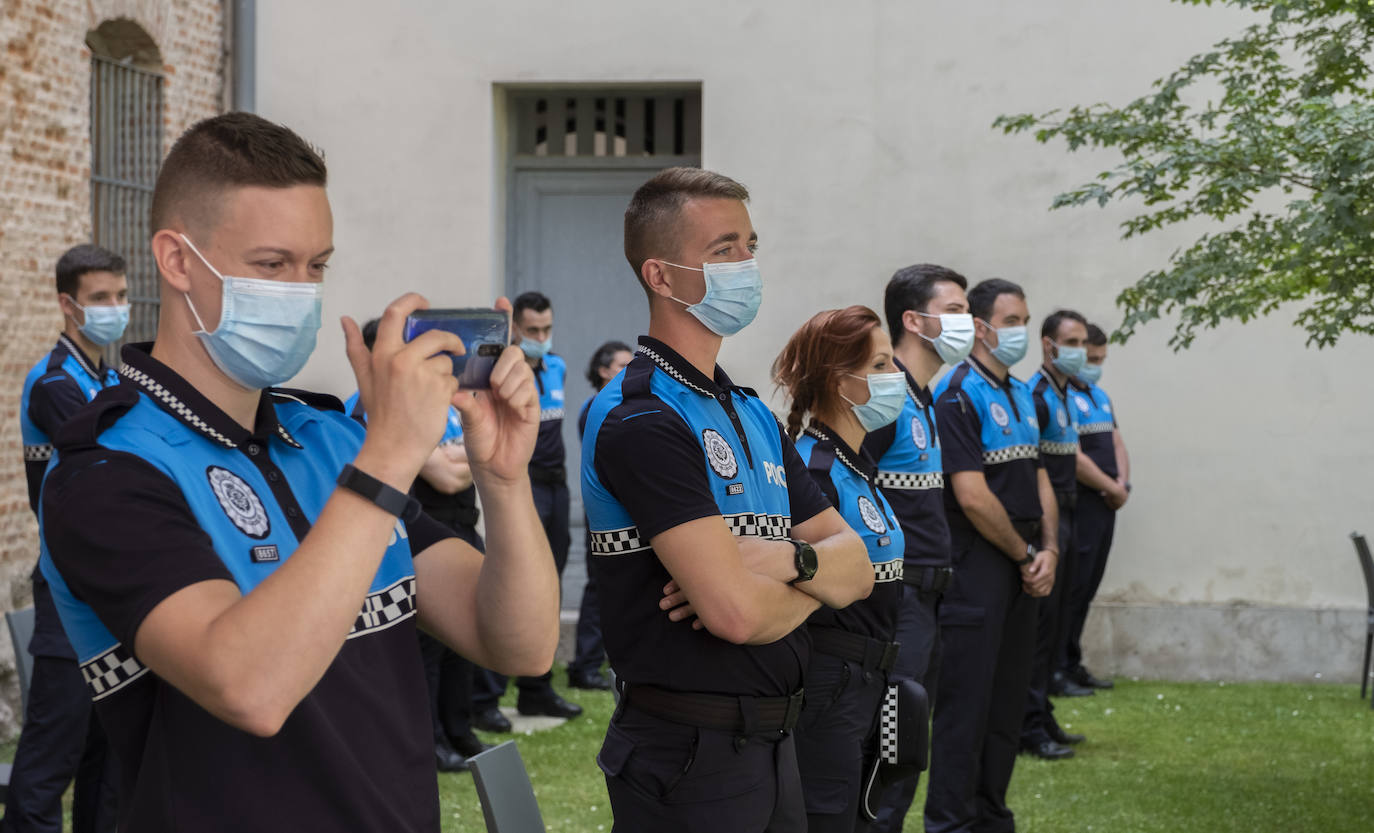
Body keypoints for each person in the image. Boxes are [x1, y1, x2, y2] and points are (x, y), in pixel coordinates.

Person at [38, 112, 560, 833]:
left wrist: (502, 480)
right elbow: (249, 686)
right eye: (272, 264)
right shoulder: (105, 470)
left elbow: (519, 643)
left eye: (317, 265)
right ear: (178, 259)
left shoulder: (328, 440)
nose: (301, 290)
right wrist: (387, 456)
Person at [581, 166, 872, 832]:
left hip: (774, 745)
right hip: (688, 755)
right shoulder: (643, 417)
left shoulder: (748, 411)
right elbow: (734, 614)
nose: (747, 265)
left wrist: (785, 561)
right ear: (660, 275)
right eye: (723, 250)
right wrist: (811, 572)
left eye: (750, 245)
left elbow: (858, 568)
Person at [925, 277, 1058, 833]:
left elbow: (1041, 477)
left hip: (1026, 560)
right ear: (980, 327)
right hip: (978, 564)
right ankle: (952, 822)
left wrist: (1049, 549)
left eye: (1025, 320)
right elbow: (972, 495)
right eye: (1011, 322)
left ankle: (991, 816)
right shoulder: (956, 391)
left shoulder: (1023, 392)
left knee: (1006, 704)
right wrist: (1026, 552)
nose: (1021, 332)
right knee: (966, 707)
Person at [774, 305, 906, 833]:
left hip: (871, 678)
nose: (894, 378)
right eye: (879, 366)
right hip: (832, 683)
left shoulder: (857, 466)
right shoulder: (815, 472)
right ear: (837, 379)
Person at [8, 244, 125, 833]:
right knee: (53, 752)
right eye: (100, 299)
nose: (114, 308)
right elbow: (114, 459)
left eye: (121, 297)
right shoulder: (55, 382)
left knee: (104, 752)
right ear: (67, 304)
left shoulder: (102, 375)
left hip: (105, 590)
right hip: (67, 590)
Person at [345, 318, 491, 773]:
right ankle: (430, 740)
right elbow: (448, 476)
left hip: (463, 528)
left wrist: (461, 455)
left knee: (464, 645)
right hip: (417, 536)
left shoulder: (437, 404)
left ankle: (458, 730)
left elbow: (474, 453)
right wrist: (465, 455)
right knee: (429, 647)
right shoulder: (366, 407)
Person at [862, 263, 972, 833]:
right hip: (896, 599)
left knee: (909, 746)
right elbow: (837, 480)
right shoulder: (888, 397)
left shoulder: (924, 397)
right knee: (891, 745)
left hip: (929, 598)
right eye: (955, 311)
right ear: (913, 319)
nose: (967, 323)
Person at [472, 290, 583, 727]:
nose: (541, 337)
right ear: (515, 328)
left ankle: (537, 690)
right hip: (524, 485)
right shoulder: (503, 373)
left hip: (557, 486)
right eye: (533, 330)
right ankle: (487, 698)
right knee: (513, 584)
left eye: (547, 329)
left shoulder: (557, 366)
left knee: (549, 584)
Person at [1019, 309, 1092, 761]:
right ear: (1048, 345)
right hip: (1051, 518)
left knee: (1058, 623)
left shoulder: (1065, 393)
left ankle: (1043, 713)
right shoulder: (1039, 395)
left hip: (1071, 513)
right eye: (1073, 341)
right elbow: (1035, 469)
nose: (1080, 351)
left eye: (1085, 342)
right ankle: (1029, 724)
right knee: (1040, 633)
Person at [1057, 322, 1130, 693]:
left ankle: (1073, 662)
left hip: (1106, 505)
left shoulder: (1100, 396)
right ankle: (1057, 668)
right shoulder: (1063, 396)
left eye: (1101, 358)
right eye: (1091, 357)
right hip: (1082, 502)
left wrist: (1122, 485)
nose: (1096, 364)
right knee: (1071, 588)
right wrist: (1108, 487)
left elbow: (1117, 443)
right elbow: (1074, 456)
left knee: (1087, 588)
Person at [567, 340, 634, 691]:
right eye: (622, 365)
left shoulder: (625, 405)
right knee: (599, 590)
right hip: (606, 516)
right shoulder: (595, 408)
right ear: (603, 370)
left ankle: (608, 659)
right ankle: (585, 665)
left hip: (625, 513)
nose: (630, 370)